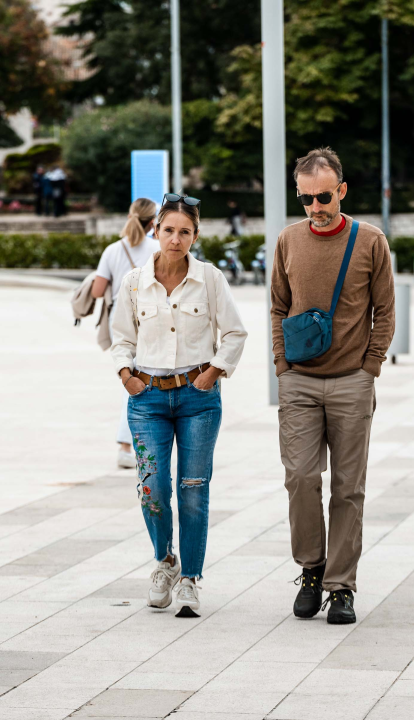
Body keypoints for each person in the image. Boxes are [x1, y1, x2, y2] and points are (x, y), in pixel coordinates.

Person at [270, 147, 395, 625]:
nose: (315, 208)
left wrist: (370, 367)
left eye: (323, 197)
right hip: (299, 381)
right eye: (305, 199)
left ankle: (342, 586)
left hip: (351, 381)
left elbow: (384, 309)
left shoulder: (370, 241)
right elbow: (278, 307)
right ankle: (311, 568)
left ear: (341, 190)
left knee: (348, 488)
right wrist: (282, 366)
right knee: (300, 478)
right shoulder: (288, 240)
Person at [110, 193, 247, 617]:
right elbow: (121, 338)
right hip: (147, 398)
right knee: (151, 489)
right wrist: (127, 377)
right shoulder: (135, 282)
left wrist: (215, 372)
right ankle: (164, 561)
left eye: (184, 232)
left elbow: (236, 333)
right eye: (168, 230)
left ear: (195, 235)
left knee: (192, 489)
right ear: (155, 231)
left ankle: (190, 578)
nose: (175, 239)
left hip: (198, 398)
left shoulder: (209, 279)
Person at [93, 198, 161, 468]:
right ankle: (126, 446)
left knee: (130, 379)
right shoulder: (158, 249)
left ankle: (127, 446)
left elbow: (98, 291)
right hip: (147, 318)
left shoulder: (112, 250)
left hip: (118, 320)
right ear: (153, 222)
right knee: (136, 381)